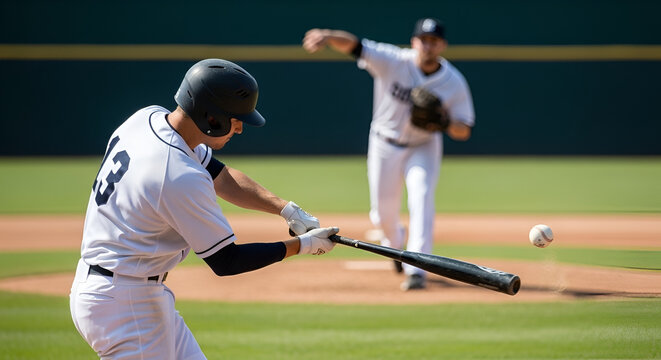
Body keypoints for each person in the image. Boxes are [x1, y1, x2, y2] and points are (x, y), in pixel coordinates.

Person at [69, 58, 339, 359]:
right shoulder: (176, 174)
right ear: (212, 118)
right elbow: (227, 261)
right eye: (236, 119)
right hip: (124, 305)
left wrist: (287, 210)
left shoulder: (148, 119)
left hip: (129, 293)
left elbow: (220, 175)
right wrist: (302, 246)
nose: (239, 129)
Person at [303, 18, 475, 291]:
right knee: (383, 215)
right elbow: (355, 45)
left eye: (434, 41)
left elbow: (464, 128)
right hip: (384, 143)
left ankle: (417, 268)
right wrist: (326, 34)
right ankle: (395, 244)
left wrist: (443, 123)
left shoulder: (453, 81)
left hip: (424, 146)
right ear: (414, 41)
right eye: (423, 40)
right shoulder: (394, 60)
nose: (428, 45)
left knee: (421, 197)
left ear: (442, 45)